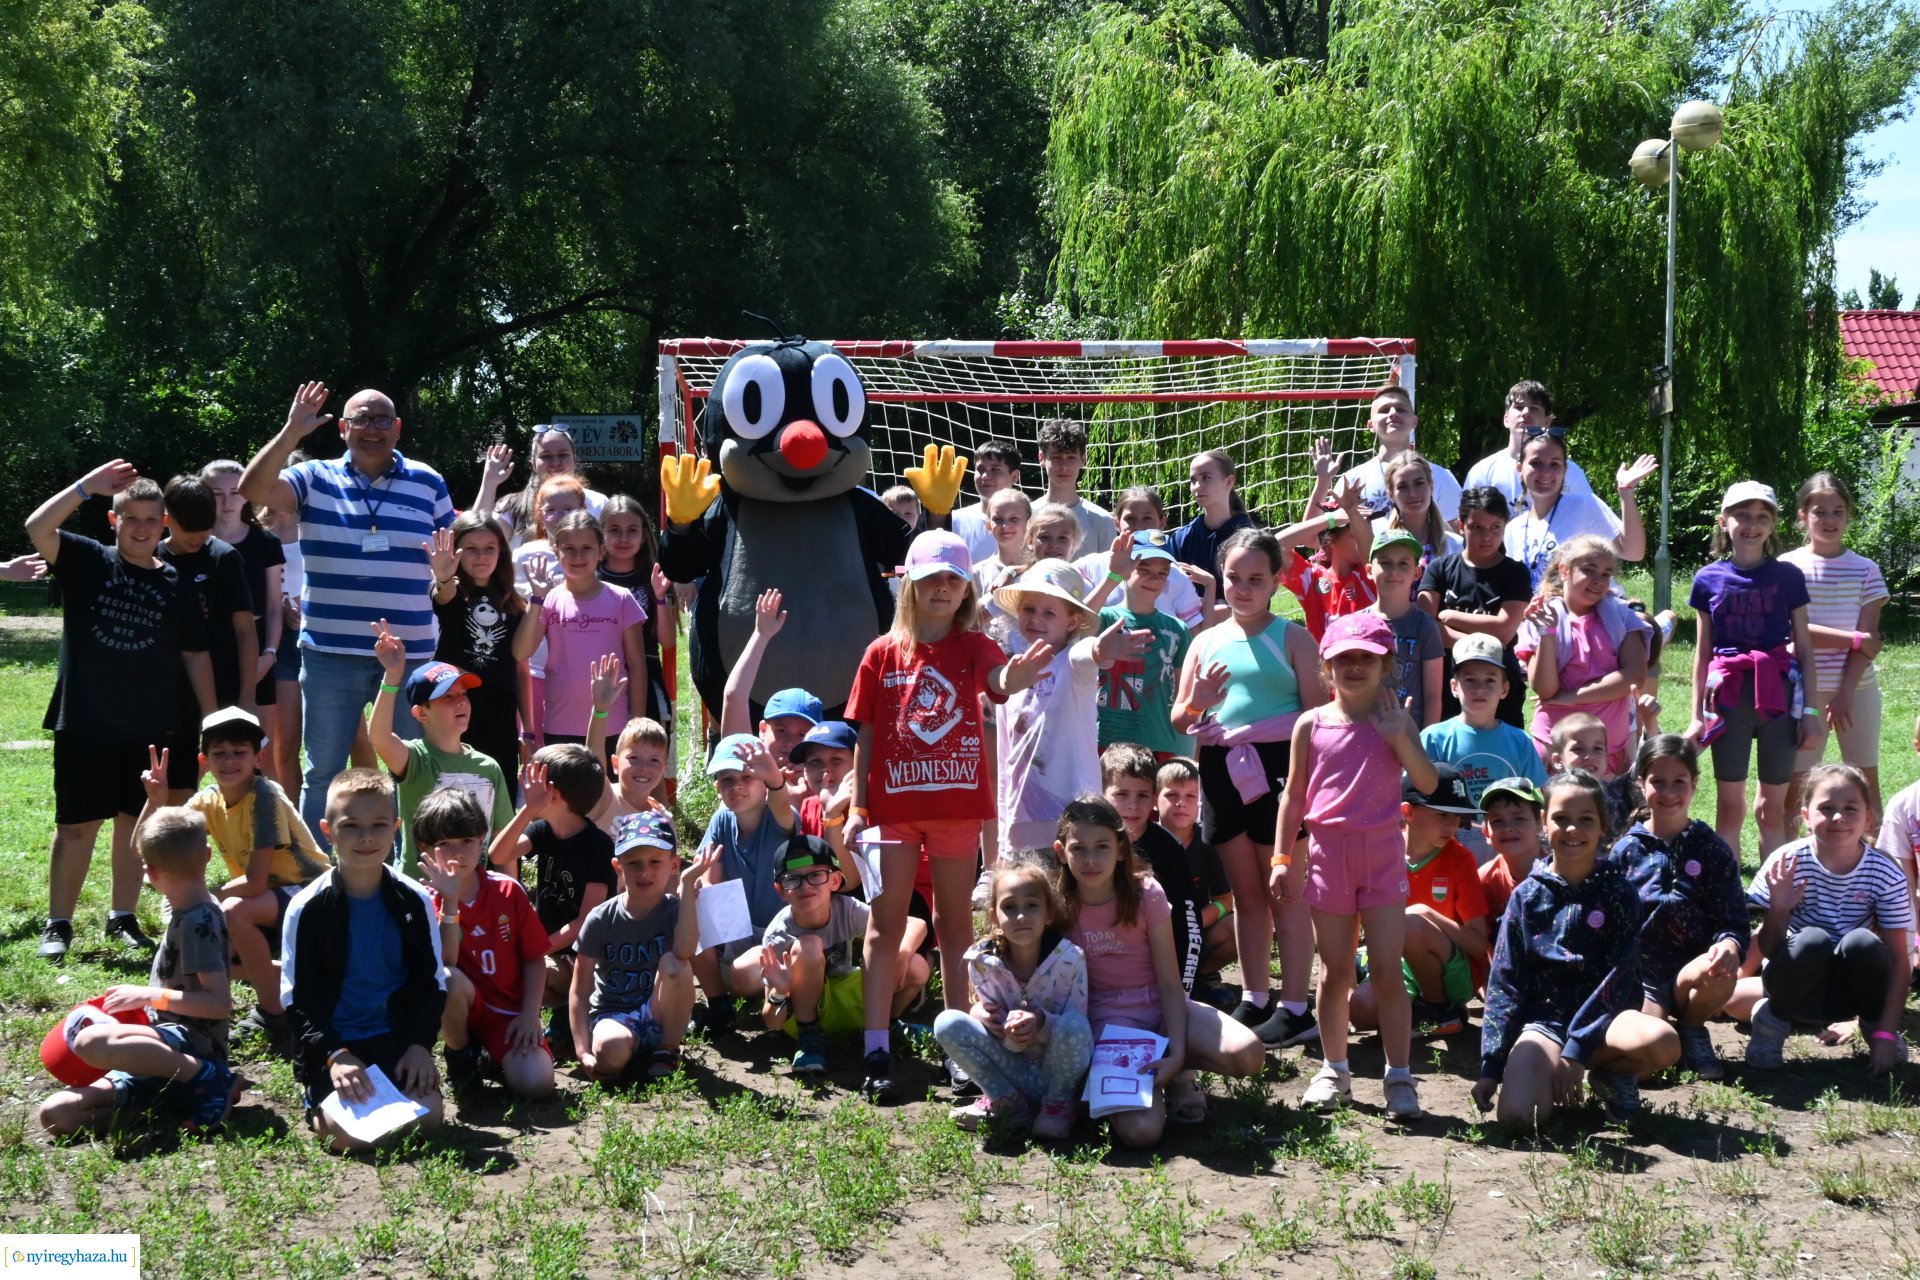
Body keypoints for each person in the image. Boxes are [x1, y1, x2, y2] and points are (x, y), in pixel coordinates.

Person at [844, 531, 1050, 1099]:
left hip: (958, 812)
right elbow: (864, 733)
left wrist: (1017, 677)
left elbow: (999, 680)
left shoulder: (975, 645)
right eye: (932, 576)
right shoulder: (880, 653)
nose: (942, 587)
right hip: (892, 813)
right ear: (910, 581)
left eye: (953, 578)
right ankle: (877, 1047)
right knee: (885, 928)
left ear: (966, 589)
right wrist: (859, 805)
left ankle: (958, 1044)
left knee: (956, 925)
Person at [239, 381, 455, 846]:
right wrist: (291, 433)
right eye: (361, 419)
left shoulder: (428, 481)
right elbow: (251, 488)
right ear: (342, 428)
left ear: (397, 428)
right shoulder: (313, 477)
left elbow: (447, 570)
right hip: (330, 653)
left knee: (410, 765)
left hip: (411, 655)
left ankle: (408, 867)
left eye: (381, 420)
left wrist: (445, 577)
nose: (372, 429)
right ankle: (318, 868)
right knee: (324, 771)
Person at [28, 462, 215, 960]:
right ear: (114, 522)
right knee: (75, 826)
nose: (141, 527)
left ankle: (122, 916)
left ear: (165, 524)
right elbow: (37, 528)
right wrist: (86, 487)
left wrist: (213, 719)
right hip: (84, 719)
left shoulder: (177, 583)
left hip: (151, 726)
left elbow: (195, 655)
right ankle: (59, 923)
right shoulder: (88, 559)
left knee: (136, 822)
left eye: (151, 519)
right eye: (130, 518)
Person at [1271, 610, 1439, 1120]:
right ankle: (1335, 1070)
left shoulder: (1396, 721)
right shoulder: (1310, 724)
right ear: (1326, 667)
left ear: (1385, 664)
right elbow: (1293, 796)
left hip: (1383, 856)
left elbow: (1429, 785)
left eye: (1366, 657)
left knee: (1388, 970)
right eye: (1344, 658)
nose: (1355, 666)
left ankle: (1399, 1077)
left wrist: (1398, 737)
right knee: (1335, 971)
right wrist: (1282, 857)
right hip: (1328, 857)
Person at [1170, 527, 1325, 1046]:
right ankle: (1257, 997)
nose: (1242, 588)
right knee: (1247, 894)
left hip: (1279, 773)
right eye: (1233, 578)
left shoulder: (1293, 637)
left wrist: (1256, 732)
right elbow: (1179, 718)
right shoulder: (1206, 640)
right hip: (1220, 772)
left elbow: (1317, 715)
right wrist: (1200, 702)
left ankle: (1299, 1006)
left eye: (1256, 579)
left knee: (1287, 892)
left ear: (1276, 581)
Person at [1472, 771, 1678, 1129]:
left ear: (1603, 826)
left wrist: (1579, 1050)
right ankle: (1544, 1071)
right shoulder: (1526, 896)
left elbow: (1619, 977)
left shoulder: (1619, 892)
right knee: (1520, 1119)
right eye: (1561, 819)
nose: (1572, 830)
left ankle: (1610, 1072)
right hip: (1544, 1024)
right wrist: (1492, 1064)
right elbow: (1506, 981)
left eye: (1585, 820)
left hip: (1606, 1022)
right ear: (1543, 823)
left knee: (1662, 1041)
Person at [1058, 796, 1264, 1144]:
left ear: (1121, 848)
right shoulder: (1059, 904)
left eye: (1102, 846)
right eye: (1078, 848)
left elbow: (1170, 983)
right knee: (1143, 1133)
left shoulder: (1147, 893)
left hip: (1160, 1006)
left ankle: (1174, 1072)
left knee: (1250, 1054)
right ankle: (1104, 1085)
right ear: (1061, 851)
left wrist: (1179, 1053)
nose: (1090, 859)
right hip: (1109, 1024)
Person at [37, 806, 237, 1136]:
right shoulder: (188, 902)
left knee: (90, 1039)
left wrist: (148, 995)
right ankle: (162, 1106)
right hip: (159, 1057)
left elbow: (218, 1003)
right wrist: (154, 801)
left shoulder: (198, 922)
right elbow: (143, 850)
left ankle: (209, 1078)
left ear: (150, 873)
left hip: (190, 1047)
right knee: (56, 1114)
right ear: (207, 855)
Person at [282, 769, 445, 1153]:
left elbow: (431, 982)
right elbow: (296, 999)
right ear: (327, 830)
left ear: (396, 828)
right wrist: (335, 1055)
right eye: (351, 826)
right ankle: (318, 1100)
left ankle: (392, 1085)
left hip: (396, 1041)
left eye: (378, 825)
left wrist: (420, 1045)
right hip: (336, 1047)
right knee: (348, 1138)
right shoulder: (306, 908)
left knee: (430, 1120)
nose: (366, 836)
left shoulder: (414, 899)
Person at [171, 708, 330, 1055]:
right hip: (272, 901)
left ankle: (274, 1014)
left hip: (313, 892)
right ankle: (290, 981)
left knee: (232, 910)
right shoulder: (208, 799)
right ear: (204, 760)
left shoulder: (264, 795)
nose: (229, 761)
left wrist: (204, 895)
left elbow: (255, 883)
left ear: (258, 757)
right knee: (199, 940)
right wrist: (154, 802)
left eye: (240, 752)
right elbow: (164, 841)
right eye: (219, 753)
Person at [1743, 764, 1912, 1074]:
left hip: (1851, 998)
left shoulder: (1885, 873)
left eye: (1850, 808)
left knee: (1862, 942)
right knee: (1812, 939)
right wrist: (1778, 910)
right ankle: (1772, 1023)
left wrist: (1887, 1029)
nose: (1838, 817)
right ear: (1806, 815)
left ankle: (1874, 1030)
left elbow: (1901, 961)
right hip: (1792, 989)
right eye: (1827, 808)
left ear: (1868, 817)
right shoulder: (1786, 862)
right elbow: (1769, 948)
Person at [1687, 482, 1816, 857]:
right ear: (1723, 521)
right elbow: (1702, 652)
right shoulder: (1707, 578)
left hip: (1778, 696)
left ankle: (1770, 896)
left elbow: (1804, 648)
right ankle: (1729, 900)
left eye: (1762, 516)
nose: (1751, 524)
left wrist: (1810, 712)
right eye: (1742, 515)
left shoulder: (1788, 577)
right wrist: (1697, 716)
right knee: (1730, 806)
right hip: (1729, 697)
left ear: (1773, 525)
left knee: (1771, 808)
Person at [1611, 735, 1747, 1080]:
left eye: (1679, 782)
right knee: (1646, 1060)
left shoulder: (1712, 849)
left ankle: (1692, 1025)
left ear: (1695, 784)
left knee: (1721, 968)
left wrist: (1729, 945)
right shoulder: (1625, 851)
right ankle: (1667, 1037)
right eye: (1658, 781)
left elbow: (1733, 919)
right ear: (1642, 784)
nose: (1669, 792)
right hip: (1644, 978)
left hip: (1695, 973)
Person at [994, 560, 1148, 856]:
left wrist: (1101, 650)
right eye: (1029, 609)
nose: (1036, 618)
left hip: (1074, 822)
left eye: (1049, 612)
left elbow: (1087, 653)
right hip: (1019, 824)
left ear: (1072, 623)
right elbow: (1004, 762)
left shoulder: (1071, 664)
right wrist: (1000, 839)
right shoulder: (1012, 673)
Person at [934, 859, 1092, 1140]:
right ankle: (1006, 1101)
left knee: (1076, 1026)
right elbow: (992, 1026)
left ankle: (1057, 1106)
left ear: (1049, 913)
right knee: (947, 1022)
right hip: (1012, 1070)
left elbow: (1076, 1024)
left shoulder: (1069, 958)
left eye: (1031, 905)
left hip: (1058, 1072)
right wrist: (983, 1017)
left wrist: (1041, 1022)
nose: (1021, 916)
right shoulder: (982, 961)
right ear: (994, 916)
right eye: (1009, 907)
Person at [413, 787, 555, 1099]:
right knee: (448, 980)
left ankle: (491, 1058)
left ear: (482, 838)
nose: (457, 853)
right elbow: (446, 964)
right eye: (445, 844)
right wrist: (449, 902)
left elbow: (534, 958)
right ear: (425, 847)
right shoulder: (423, 901)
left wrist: (530, 1014)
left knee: (538, 1084)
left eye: (466, 841)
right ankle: (461, 1056)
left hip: (510, 1015)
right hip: (463, 1007)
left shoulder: (508, 891)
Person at [753, 833, 929, 1077]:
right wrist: (780, 991)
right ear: (781, 891)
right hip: (803, 1011)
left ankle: (884, 1025)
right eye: (792, 880)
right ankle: (809, 1036)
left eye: (816, 876)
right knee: (809, 946)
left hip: (844, 999)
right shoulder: (778, 934)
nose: (805, 886)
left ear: (835, 881)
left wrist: (901, 954)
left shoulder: (846, 909)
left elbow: (915, 924)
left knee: (916, 965)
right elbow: (772, 1022)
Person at [1349, 764, 1490, 1039]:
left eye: (1457, 816)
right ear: (1407, 812)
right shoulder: (1381, 853)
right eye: (1441, 815)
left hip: (1454, 972)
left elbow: (1477, 944)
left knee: (1413, 923)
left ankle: (1439, 1008)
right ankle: (1419, 1016)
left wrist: (1427, 915)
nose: (1452, 825)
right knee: (1361, 1010)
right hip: (1395, 961)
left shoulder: (1461, 860)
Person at [487, 752, 614, 1057]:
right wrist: (528, 812)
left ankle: (569, 1017)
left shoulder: (598, 846)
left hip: (589, 957)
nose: (524, 784)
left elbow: (587, 921)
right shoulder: (544, 831)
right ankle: (565, 1011)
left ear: (553, 794)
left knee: (527, 969)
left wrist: (538, 948)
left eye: (532, 781)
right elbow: (498, 855)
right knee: (513, 968)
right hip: (553, 950)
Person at [572, 812, 710, 1084]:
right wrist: (582, 1050)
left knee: (675, 964)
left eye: (655, 861)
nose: (644, 871)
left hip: (660, 1013)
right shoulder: (601, 918)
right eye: (633, 863)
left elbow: (684, 952)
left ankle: (666, 1049)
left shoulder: (673, 910)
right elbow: (579, 989)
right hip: (613, 1015)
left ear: (673, 865)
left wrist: (686, 887)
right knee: (609, 1054)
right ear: (618, 866)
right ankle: (629, 1054)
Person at [1781, 471, 1888, 818]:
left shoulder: (1866, 570)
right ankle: (1790, 862)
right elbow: (1792, 631)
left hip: (1856, 692)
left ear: (1848, 515)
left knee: (1864, 781)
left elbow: (1868, 643)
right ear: (1803, 515)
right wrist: (1855, 639)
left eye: (1838, 511)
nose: (1829, 520)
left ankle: (1875, 861)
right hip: (1800, 693)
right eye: (1820, 512)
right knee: (1794, 786)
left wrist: (1845, 692)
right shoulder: (1787, 568)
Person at [369, 634, 515, 877]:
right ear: (421, 713)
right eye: (448, 697)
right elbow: (380, 738)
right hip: (421, 893)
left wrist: (511, 896)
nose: (461, 702)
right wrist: (392, 677)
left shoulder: (489, 766)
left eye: (464, 694)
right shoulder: (415, 758)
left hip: (474, 895)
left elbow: (504, 842)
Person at [687, 734, 797, 1033]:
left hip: (780, 933)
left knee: (740, 976)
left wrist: (776, 782)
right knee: (686, 914)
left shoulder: (779, 816)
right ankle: (718, 1004)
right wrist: (700, 898)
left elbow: (784, 809)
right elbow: (710, 873)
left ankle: (768, 988)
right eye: (727, 780)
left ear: (764, 782)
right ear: (717, 787)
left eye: (747, 777)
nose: (737, 786)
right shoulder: (722, 819)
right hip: (737, 928)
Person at [512, 510, 647, 756]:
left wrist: (635, 721)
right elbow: (521, 652)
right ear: (556, 551)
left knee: (610, 793)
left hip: (612, 723)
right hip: (560, 724)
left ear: (601, 551)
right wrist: (537, 598)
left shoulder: (621, 598)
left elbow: (637, 665)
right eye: (569, 549)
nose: (577, 556)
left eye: (586, 548)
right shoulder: (549, 600)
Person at [1517, 535, 1651, 776]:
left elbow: (1633, 676)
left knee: (1609, 813)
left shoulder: (1622, 617)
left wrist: (1570, 698)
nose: (1599, 581)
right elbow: (1545, 690)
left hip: (1608, 749)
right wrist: (1546, 634)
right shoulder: (1542, 617)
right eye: (1589, 570)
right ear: (1564, 571)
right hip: (1554, 745)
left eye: (1606, 574)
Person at [1420, 634, 1547, 861]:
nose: (1480, 688)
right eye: (1469, 680)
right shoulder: (1433, 738)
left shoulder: (1520, 741)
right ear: (1454, 687)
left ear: (1505, 688)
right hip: (1447, 853)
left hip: (1506, 853)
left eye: (1490, 680)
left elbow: (1538, 797)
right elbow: (1419, 800)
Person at [427, 513, 527, 793]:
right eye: (470, 548)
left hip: (500, 708)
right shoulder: (451, 591)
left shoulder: (514, 603)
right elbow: (442, 596)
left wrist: (528, 727)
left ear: (501, 553)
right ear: (456, 552)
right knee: (451, 791)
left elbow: (520, 668)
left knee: (498, 789)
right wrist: (444, 577)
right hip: (453, 701)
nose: (481, 556)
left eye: (489, 548)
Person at [1418, 486, 1532, 727]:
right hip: (1448, 683)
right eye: (1476, 527)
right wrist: (1485, 643)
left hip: (1499, 684)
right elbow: (1427, 629)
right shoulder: (1439, 569)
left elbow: (1503, 630)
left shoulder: (1515, 573)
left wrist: (1450, 615)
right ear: (1461, 525)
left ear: (1505, 526)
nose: (1486, 537)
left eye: (1495, 528)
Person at [1102, 743, 1209, 997]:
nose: (1132, 805)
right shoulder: (1087, 844)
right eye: (1122, 794)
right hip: (1098, 971)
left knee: (1242, 1040)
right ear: (1102, 792)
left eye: (1142, 795)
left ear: (1153, 797)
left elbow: (1189, 928)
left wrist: (1182, 994)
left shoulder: (1168, 848)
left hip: (1154, 976)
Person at [159, 474, 260, 731]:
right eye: (188, 528)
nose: (197, 536)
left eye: (204, 527)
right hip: (166, 685)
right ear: (167, 518)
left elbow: (245, 631)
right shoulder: (152, 556)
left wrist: (247, 698)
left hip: (224, 683)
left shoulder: (224, 557)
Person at [202, 459, 287, 758]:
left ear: (249, 493)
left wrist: (269, 655)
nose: (226, 501)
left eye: (235, 491)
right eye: (216, 493)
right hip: (205, 651)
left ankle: (266, 806)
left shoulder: (265, 541)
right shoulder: (192, 541)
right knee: (204, 748)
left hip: (258, 652)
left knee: (260, 752)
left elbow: (275, 606)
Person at [1502, 430, 1655, 591]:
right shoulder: (1513, 529)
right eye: (1536, 463)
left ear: (1565, 470)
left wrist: (1625, 491)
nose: (1545, 472)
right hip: (1542, 614)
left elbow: (1633, 552)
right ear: (1520, 469)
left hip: (1592, 612)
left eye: (1554, 464)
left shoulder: (1584, 505)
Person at [597, 493, 677, 781]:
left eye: (631, 530)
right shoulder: (591, 576)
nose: (623, 538)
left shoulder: (653, 576)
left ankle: (655, 812)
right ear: (601, 533)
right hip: (602, 674)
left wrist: (659, 598)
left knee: (644, 754)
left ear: (644, 534)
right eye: (614, 530)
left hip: (645, 673)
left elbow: (667, 641)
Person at [1094, 533, 1194, 754]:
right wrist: (1113, 576)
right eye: (1144, 570)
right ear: (1127, 569)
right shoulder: (1105, 618)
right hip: (1103, 742)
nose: (1155, 579)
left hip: (1157, 745)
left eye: (1162, 573)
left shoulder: (1177, 630)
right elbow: (1074, 624)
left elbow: (1183, 696)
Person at [510, 473, 587, 748]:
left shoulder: (594, 553)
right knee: (534, 748)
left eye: (568, 509)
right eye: (551, 510)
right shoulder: (524, 555)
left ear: (583, 510)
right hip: (533, 670)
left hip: (577, 672)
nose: (560, 516)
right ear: (540, 515)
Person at [1154, 756, 1236, 1007]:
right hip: (1153, 933)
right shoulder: (1145, 841)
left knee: (1241, 924)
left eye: (1190, 796)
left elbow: (1225, 901)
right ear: (1154, 799)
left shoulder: (1208, 841)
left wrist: (1195, 922)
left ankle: (1204, 974)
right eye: (1171, 795)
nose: (1181, 803)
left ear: (1200, 801)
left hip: (1197, 929)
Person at [1074, 491, 1209, 627]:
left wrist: (1211, 585)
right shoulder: (1089, 567)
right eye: (1130, 518)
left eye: (1147, 518)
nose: (1139, 526)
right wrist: (1113, 577)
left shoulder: (1177, 576)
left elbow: (1196, 638)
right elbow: (1075, 626)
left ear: (1162, 522)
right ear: (1116, 522)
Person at [1280, 458, 1376, 641]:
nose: (1365, 537)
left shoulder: (1372, 573)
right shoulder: (1312, 577)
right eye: (1354, 533)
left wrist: (1351, 515)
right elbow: (1275, 546)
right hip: (1323, 668)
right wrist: (1330, 519)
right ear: (1331, 540)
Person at [1340, 386, 1462, 523]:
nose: (1393, 413)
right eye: (1384, 410)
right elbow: (1325, 537)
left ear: (1414, 422)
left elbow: (1458, 536)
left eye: (1401, 409)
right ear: (1371, 425)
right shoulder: (1352, 479)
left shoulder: (1440, 476)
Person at [1462, 382, 1594, 508]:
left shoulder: (1570, 472)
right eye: (1519, 407)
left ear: (1548, 421)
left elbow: (1590, 519)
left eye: (1534, 408)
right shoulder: (1482, 472)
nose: (1525, 413)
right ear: (1506, 419)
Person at [1366, 529, 1444, 728]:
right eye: (1385, 562)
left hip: (1411, 733)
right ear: (1368, 570)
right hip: (1366, 731)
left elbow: (1433, 695)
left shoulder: (1425, 626)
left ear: (1417, 572)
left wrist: (1427, 741)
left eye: (1403, 563)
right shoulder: (1357, 624)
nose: (1394, 571)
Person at [479, 427, 609, 543]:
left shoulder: (598, 503)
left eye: (563, 455)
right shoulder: (512, 507)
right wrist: (489, 483)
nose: (556, 462)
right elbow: (478, 540)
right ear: (533, 464)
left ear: (574, 459)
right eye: (546, 456)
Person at [1171, 448, 1258, 581]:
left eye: (1206, 477)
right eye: (1193, 480)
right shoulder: (1181, 539)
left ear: (1229, 482)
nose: (1197, 486)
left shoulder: (1250, 539)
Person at [1372, 452, 1464, 571]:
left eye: (1419, 483)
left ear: (1431, 487)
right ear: (1391, 494)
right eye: (1403, 487)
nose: (1413, 494)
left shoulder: (1455, 545)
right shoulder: (1378, 539)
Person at [1036, 419, 1116, 555]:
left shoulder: (1102, 520)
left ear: (1083, 459)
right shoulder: (1026, 515)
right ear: (1042, 458)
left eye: (1071, 457)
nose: (1064, 466)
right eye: (1056, 457)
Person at [1476, 776, 1545, 921]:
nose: (1507, 828)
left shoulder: (1562, 871)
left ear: (1540, 822)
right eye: (1497, 821)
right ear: (1486, 832)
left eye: (1519, 818)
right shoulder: (1483, 882)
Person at [951, 438, 1024, 564]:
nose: (985, 476)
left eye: (995, 469)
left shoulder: (1032, 520)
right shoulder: (954, 519)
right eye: (980, 469)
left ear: (1014, 476)